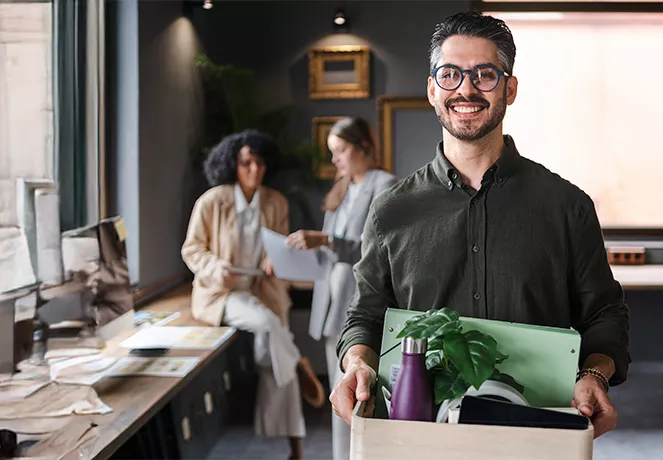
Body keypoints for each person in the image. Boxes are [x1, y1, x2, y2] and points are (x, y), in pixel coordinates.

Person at [330, 11, 630, 438]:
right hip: (420, 435)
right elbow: (366, 315)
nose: (465, 89)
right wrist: (358, 364)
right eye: (450, 74)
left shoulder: (568, 205)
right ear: (432, 89)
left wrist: (595, 375)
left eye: (484, 74)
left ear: (509, 89)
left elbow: (604, 314)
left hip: (537, 431)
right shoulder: (390, 210)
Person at [181, 129, 324, 460]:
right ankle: (296, 436)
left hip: (264, 290)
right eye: (246, 162)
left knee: (272, 356)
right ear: (233, 164)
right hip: (222, 294)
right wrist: (217, 266)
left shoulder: (276, 202)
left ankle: (295, 448)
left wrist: (273, 258)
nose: (254, 170)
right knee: (272, 329)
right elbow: (192, 250)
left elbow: (280, 247)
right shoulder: (212, 201)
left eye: (259, 163)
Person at [285, 117, 397, 460]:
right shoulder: (342, 189)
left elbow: (376, 248)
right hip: (331, 300)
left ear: (364, 147)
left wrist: (326, 240)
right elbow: (329, 252)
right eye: (331, 152)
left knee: (357, 390)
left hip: (359, 302)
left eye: (341, 150)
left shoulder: (385, 184)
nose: (335, 160)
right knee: (339, 394)